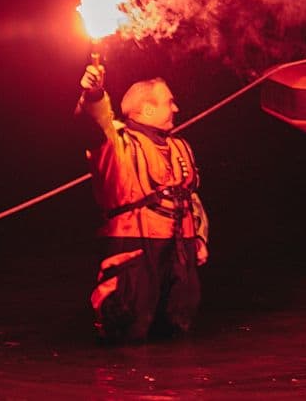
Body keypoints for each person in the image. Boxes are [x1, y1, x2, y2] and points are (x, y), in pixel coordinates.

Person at [76, 57, 209, 344]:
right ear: (148, 109)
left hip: (180, 256)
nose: (176, 108)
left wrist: (199, 237)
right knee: (128, 334)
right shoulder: (116, 145)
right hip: (134, 254)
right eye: (169, 102)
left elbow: (190, 196)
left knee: (178, 335)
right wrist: (94, 94)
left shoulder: (180, 146)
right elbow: (93, 123)